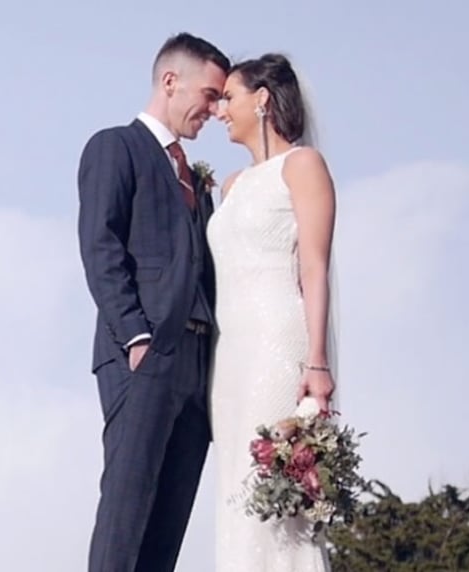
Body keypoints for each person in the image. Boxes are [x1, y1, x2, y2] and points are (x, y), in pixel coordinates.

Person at [77, 33, 230, 571]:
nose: (215, 110)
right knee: (125, 516)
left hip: (197, 367)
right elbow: (100, 246)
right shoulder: (115, 146)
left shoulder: (195, 177)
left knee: (168, 530)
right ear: (170, 81)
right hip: (144, 354)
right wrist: (137, 337)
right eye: (210, 95)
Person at [207, 53, 337, 571]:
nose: (219, 110)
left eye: (228, 97)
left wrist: (317, 362)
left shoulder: (302, 166)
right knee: (236, 493)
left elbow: (315, 267)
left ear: (262, 99)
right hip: (230, 356)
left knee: (273, 495)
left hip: (276, 343)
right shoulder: (231, 185)